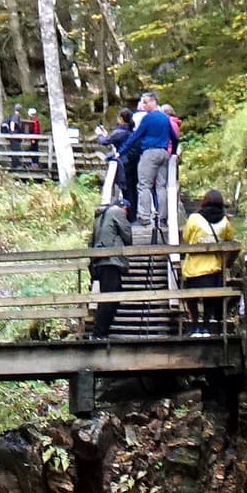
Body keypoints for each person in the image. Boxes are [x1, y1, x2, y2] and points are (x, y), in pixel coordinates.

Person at [122, 90, 180, 242]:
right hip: (163, 153)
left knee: (144, 185)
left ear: (154, 102)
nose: (144, 105)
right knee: (161, 186)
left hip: (150, 153)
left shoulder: (148, 118)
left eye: (146, 102)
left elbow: (135, 136)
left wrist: (121, 152)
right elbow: (174, 137)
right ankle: (162, 216)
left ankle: (144, 216)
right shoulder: (166, 118)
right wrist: (172, 152)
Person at [176, 186, 232, 331]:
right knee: (210, 300)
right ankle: (206, 326)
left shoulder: (194, 219)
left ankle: (195, 327)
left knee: (192, 299)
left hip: (194, 268)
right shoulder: (225, 221)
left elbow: (186, 237)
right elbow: (229, 239)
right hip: (214, 268)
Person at [84, 193, 133, 337]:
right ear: (124, 208)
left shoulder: (99, 217)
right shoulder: (118, 212)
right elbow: (128, 236)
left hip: (99, 261)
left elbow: (91, 241)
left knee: (109, 297)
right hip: (111, 261)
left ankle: (100, 331)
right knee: (110, 298)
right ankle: (99, 333)